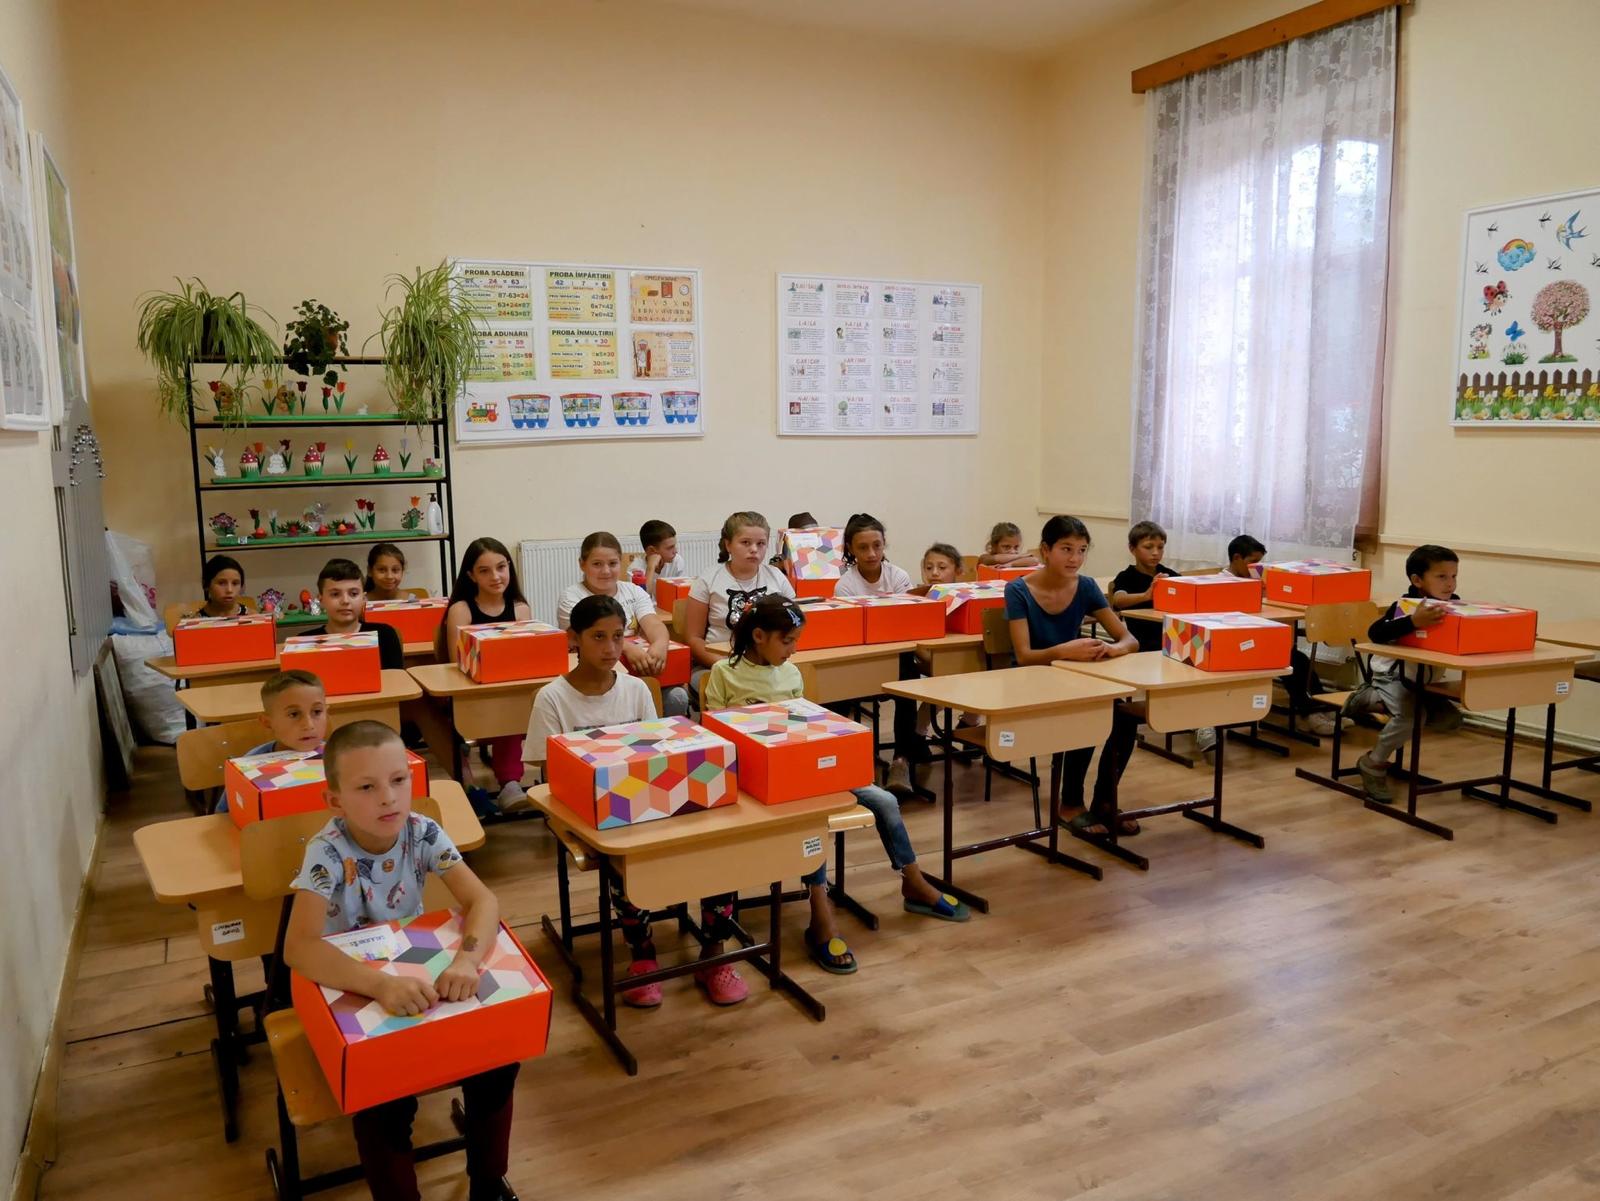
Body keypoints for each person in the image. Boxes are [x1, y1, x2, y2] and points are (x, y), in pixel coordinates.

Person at [283, 721, 519, 1201]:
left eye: (398, 780)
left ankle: (488, 1184)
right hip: (350, 984)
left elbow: (483, 900)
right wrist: (380, 986)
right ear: (335, 801)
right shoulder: (326, 853)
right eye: (366, 787)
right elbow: (299, 947)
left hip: (412, 972)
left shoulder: (422, 832)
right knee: (383, 1101)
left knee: (497, 1060)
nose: (388, 798)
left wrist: (466, 962)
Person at [705, 595, 969, 977]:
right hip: (760, 784)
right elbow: (718, 740)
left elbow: (807, 727)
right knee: (815, 819)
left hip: (806, 770)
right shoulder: (723, 674)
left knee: (884, 801)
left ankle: (913, 881)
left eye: (796, 641)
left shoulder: (791, 674)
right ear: (759, 636)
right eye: (787, 641)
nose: (793, 649)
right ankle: (820, 909)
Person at [525, 595, 747, 1006]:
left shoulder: (636, 689)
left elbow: (655, 753)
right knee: (626, 859)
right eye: (598, 637)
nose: (611, 648)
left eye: (617, 637)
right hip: (594, 813)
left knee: (715, 844)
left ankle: (714, 952)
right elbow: (549, 771)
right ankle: (642, 954)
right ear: (574, 639)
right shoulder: (552, 697)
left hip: (646, 799)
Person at [1005, 515, 1142, 838]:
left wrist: (1111, 649)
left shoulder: (1086, 586)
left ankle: (1105, 800)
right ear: (1045, 550)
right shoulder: (1018, 590)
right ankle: (1070, 802)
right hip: (1031, 681)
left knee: (1125, 718)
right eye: (1066, 549)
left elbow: (1129, 640)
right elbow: (1024, 656)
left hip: (1073, 678)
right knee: (1088, 711)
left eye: (1082, 550)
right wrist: (1064, 650)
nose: (1075, 558)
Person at [1342, 545, 1465, 803]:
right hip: (1392, 677)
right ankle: (1373, 763)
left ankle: (1374, 701)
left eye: (1453, 576)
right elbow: (1376, 633)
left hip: (1423, 682)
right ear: (1417, 580)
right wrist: (1413, 622)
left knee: (1450, 719)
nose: (1450, 583)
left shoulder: (1453, 605)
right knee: (1412, 717)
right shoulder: (1405, 605)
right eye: (1441, 577)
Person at [441, 538, 532, 810]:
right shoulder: (461, 610)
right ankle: (477, 783)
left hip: (509, 691)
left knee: (512, 701)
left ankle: (510, 783)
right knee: (502, 702)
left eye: (501, 567)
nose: (495, 576)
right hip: (472, 692)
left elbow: (527, 656)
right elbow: (456, 663)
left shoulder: (520, 608)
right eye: (484, 571)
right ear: (471, 575)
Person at [557, 532, 686, 716]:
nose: (606, 571)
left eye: (612, 563)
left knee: (677, 696)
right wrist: (627, 648)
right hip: (593, 679)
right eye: (597, 564)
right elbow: (584, 635)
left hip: (638, 675)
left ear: (620, 563)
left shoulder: (633, 591)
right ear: (582, 564)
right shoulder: (572, 596)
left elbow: (654, 624)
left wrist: (660, 644)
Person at [1221, 535, 1336, 738]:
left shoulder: (1256, 581)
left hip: (1261, 640)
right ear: (1237, 558)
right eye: (1252, 562)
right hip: (1237, 645)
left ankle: (1320, 708)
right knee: (1288, 661)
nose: (1256, 568)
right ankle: (1309, 714)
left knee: (1299, 660)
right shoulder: (1221, 582)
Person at [684, 511, 794, 706]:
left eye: (761, 544)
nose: (754, 550)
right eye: (745, 543)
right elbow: (693, 638)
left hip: (769, 664)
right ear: (728, 545)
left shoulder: (777, 577)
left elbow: (793, 625)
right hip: (720, 664)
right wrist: (728, 666)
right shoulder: (708, 580)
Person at [214, 670, 328, 814]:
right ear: (267, 722)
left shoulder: (338, 756)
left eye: (317, 712)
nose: (309, 725)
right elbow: (224, 814)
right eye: (294, 714)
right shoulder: (250, 763)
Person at [310, 559, 404, 669]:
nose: (345, 601)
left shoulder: (385, 635)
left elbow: (396, 677)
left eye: (353, 594)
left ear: (363, 598)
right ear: (320, 600)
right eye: (335, 594)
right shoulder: (305, 642)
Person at [1109, 520, 1180, 653]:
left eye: (1160, 547)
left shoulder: (1168, 574)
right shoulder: (1126, 576)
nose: (1155, 553)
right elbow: (1118, 600)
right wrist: (1145, 595)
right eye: (1148, 547)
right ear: (1132, 549)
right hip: (1141, 642)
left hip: (1171, 638)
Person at [833, 512, 914, 596]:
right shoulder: (844, 587)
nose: (872, 554)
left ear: (883, 543)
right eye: (863, 547)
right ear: (851, 549)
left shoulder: (898, 577)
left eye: (877, 545)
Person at [638, 519, 685, 596]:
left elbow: (680, 593)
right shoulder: (635, 570)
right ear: (651, 550)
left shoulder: (677, 561)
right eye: (670, 548)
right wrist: (650, 568)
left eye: (674, 546)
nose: (675, 551)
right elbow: (642, 599)